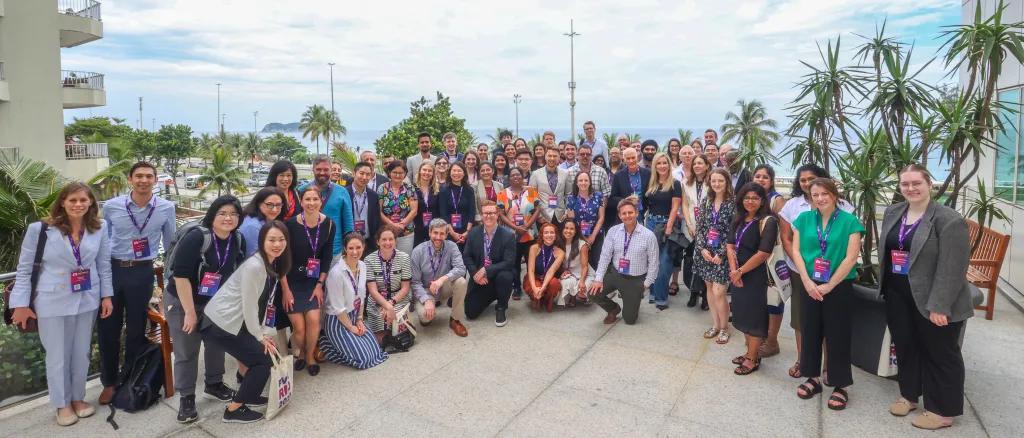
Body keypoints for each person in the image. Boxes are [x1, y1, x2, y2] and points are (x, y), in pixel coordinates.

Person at [9, 183, 113, 426]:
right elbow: (24, 270)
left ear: (91, 204)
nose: (78, 205)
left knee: (81, 353)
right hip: (51, 301)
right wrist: (20, 305)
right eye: (72, 200)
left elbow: (103, 264)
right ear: (62, 203)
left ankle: (78, 398)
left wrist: (106, 296)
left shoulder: (99, 227)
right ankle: (62, 403)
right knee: (57, 356)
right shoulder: (41, 230)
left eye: (83, 200)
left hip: (87, 298)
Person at [879, 164, 973, 430]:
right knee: (905, 346)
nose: (910, 188)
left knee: (940, 353)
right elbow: (888, 252)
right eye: (905, 184)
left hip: (934, 300)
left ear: (929, 184)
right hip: (898, 294)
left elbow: (953, 268)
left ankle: (942, 411)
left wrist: (940, 306)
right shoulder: (893, 212)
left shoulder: (948, 219)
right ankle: (909, 395)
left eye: (916, 183)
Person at [98, 162, 176, 404]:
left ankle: (130, 379)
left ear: (155, 180)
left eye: (149, 176)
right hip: (113, 270)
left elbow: (171, 244)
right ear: (130, 179)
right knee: (107, 329)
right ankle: (109, 382)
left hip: (143, 272)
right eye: (139, 176)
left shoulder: (166, 208)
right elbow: (102, 243)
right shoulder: (112, 207)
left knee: (136, 329)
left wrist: (171, 284)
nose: (144, 180)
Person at [201, 220, 290, 424]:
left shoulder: (271, 262)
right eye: (272, 240)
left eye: (281, 239)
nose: (277, 244)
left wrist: (265, 333)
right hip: (219, 323)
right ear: (262, 241)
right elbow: (250, 305)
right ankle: (233, 410)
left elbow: (266, 303)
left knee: (261, 356)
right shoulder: (255, 266)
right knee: (262, 360)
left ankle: (248, 395)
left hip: (234, 321)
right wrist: (259, 336)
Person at [165, 196, 244, 423]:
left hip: (213, 301)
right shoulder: (197, 237)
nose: (228, 218)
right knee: (186, 349)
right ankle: (187, 397)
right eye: (223, 213)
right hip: (183, 300)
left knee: (216, 342)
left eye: (233, 214)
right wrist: (189, 312)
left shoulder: (236, 239)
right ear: (213, 215)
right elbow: (180, 277)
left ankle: (214, 383)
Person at [791, 178, 864, 411]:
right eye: (815, 195)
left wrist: (830, 284)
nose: (820, 198)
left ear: (834, 195)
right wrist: (805, 280)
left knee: (838, 334)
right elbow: (795, 250)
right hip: (810, 283)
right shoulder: (803, 219)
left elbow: (851, 258)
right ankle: (812, 377)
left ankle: (840, 383)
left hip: (838, 285)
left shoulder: (850, 222)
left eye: (824, 194)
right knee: (810, 329)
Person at [778, 163, 854, 379]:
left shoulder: (846, 211)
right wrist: (804, 269)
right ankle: (805, 363)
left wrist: (828, 281)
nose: (807, 184)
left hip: (835, 276)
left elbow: (849, 252)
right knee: (804, 322)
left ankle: (831, 368)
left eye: (812, 179)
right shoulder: (796, 207)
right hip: (803, 273)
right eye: (803, 181)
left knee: (834, 325)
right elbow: (787, 238)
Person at [725, 183, 779, 376]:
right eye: (747, 198)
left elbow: (764, 253)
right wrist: (734, 270)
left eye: (755, 198)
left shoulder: (768, 221)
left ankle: (752, 359)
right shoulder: (738, 219)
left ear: (763, 200)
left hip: (756, 276)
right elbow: (730, 245)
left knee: (755, 318)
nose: (750, 201)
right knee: (743, 314)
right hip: (737, 273)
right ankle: (750, 352)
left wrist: (740, 271)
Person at [282, 186, 335, 376]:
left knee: (313, 320)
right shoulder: (289, 225)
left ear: (321, 202)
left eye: (315, 199)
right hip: (292, 281)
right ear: (301, 201)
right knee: (299, 328)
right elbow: (282, 259)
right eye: (307, 199)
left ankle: (310, 355)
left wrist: (320, 284)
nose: (311, 203)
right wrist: (285, 290)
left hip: (313, 282)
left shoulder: (329, 224)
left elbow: (327, 257)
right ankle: (301, 352)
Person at [318, 233, 389, 369]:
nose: (355, 252)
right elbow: (338, 309)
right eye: (351, 248)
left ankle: (342, 344)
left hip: (354, 315)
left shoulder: (362, 265)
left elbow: (361, 296)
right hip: (338, 321)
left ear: (363, 247)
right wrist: (352, 328)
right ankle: (325, 343)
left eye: (358, 247)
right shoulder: (336, 273)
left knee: (376, 352)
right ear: (345, 249)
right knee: (364, 359)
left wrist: (360, 320)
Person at [588, 199, 659, 325]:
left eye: (630, 212)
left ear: (636, 213)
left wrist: (646, 284)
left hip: (635, 279)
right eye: (624, 213)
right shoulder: (613, 231)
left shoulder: (648, 235)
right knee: (593, 293)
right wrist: (598, 279)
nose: (627, 216)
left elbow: (654, 263)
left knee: (629, 320)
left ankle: (633, 299)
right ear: (620, 216)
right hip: (615, 274)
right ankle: (613, 309)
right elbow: (605, 256)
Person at [694, 169, 736, 344]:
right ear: (709, 183)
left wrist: (721, 254)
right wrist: (702, 248)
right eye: (714, 181)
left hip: (723, 254)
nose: (717, 184)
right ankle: (716, 324)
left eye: (720, 181)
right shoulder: (706, 202)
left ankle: (725, 328)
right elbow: (701, 227)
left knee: (720, 291)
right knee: (710, 289)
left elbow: (733, 231)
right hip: (705, 253)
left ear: (727, 182)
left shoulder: (733, 203)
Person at [751, 163, 786, 358]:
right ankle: (763, 335)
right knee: (760, 298)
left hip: (773, 256)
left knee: (774, 299)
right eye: (757, 176)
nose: (761, 180)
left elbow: (784, 229)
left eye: (765, 177)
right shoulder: (752, 197)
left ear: (771, 180)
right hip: (755, 255)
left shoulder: (776, 200)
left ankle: (773, 341)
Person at [410, 219, 470, 336]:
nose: (438, 237)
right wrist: (426, 300)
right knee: (425, 318)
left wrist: (442, 280)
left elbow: (461, 268)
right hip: (426, 290)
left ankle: (455, 320)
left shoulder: (452, 246)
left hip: (443, 287)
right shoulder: (418, 251)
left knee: (461, 282)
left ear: (447, 235)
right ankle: (429, 307)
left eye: (442, 234)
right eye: (435, 233)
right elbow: (415, 282)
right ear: (429, 233)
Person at [462, 201, 517, 326]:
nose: (488, 216)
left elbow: (509, 262)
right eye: (486, 213)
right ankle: (493, 294)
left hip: (498, 276)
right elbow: (467, 256)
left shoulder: (508, 235)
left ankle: (501, 306)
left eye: (492, 213)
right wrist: (475, 273)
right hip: (480, 278)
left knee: (506, 276)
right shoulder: (474, 233)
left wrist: (486, 270)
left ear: (497, 214)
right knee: (470, 313)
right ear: (481, 215)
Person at [644, 152, 682, 310]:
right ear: (654, 166)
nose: (661, 166)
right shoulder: (651, 182)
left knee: (665, 261)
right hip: (651, 223)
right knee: (652, 260)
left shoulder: (675, 183)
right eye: (658, 163)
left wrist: (668, 226)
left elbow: (675, 208)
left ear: (669, 164)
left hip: (667, 223)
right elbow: (646, 205)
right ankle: (653, 293)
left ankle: (661, 297)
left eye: (664, 163)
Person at [497, 167, 541, 300]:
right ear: (509, 178)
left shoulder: (531, 191)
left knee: (531, 261)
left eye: (518, 175)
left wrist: (526, 225)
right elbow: (500, 213)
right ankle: (516, 287)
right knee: (514, 263)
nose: (516, 177)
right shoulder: (503, 193)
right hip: (511, 235)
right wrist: (515, 228)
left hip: (529, 233)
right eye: (512, 175)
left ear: (523, 177)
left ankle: (531, 286)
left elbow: (538, 209)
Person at [364, 226, 413, 344]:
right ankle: (383, 333)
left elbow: (406, 288)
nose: (388, 243)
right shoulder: (368, 260)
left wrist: (391, 304)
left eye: (391, 239)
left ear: (395, 241)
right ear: (378, 241)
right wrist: (386, 305)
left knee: (398, 334)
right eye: (384, 239)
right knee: (380, 341)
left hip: (398, 298)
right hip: (377, 300)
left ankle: (397, 330)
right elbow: (373, 290)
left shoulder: (404, 258)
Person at [306, 157, 354, 262]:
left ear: (331, 170)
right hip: (307, 250)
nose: (322, 172)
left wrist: (348, 250)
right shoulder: (302, 190)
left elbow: (349, 225)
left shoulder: (342, 192)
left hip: (334, 252)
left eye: (326, 169)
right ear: (313, 169)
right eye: (318, 169)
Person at [682, 154, 712, 309]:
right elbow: (685, 205)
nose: (697, 166)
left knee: (706, 263)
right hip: (692, 228)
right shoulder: (686, 183)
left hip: (709, 230)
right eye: (695, 164)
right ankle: (693, 293)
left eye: (701, 163)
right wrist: (688, 224)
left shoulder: (714, 182)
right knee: (691, 262)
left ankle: (706, 296)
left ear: (707, 165)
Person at [565, 171, 606, 269]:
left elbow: (601, 217)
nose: (583, 183)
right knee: (582, 262)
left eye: (586, 180)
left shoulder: (599, 196)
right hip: (579, 236)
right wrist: (584, 237)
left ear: (590, 182)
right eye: (580, 180)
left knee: (596, 261)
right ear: (576, 183)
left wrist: (592, 236)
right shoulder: (571, 198)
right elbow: (572, 221)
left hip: (597, 234)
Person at [378, 161, 419, 255]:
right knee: (387, 259)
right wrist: (392, 225)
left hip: (406, 232)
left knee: (404, 260)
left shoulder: (409, 188)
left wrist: (402, 224)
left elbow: (414, 211)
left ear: (405, 174)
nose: (397, 175)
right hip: (387, 232)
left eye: (401, 173)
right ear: (389, 173)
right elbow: (379, 211)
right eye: (395, 172)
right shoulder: (382, 188)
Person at [524, 223, 565, 312]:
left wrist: (543, 287)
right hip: (535, 276)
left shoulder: (560, 252)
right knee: (534, 285)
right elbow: (530, 270)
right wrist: (535, 288)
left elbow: (551, 271)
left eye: (552, 232)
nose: (549, 235)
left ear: (556, 235)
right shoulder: (534, 248)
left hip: (548, 278)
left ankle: (547, 299)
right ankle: (535, 297)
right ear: (542, 235)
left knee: (554, 283)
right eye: (546, 233)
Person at [239, 187, 286, 257]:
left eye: (278, 205)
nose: (275, 209)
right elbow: (252, 257)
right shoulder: (252, 226)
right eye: (270, 205)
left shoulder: (267, 220)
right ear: (259, 204)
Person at [609, 148, 651, 225]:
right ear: (624, 160)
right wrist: (626, 200)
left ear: (637, 158)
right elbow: (612, 198)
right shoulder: (619, 175)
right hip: (626, 214)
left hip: (642, 213)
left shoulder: (647, 173)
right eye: (628, 158)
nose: (631, 161)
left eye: (633, 157)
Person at [347, 161, 382, 254]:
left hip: (369, 243)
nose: (364, 177)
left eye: (368, 174)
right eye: (361, 173)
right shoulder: (344, 193)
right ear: (354, 173)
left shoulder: (373, 195)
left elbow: (377, 220)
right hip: (348, 243)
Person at [529, 147, 570, 225]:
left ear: (559, 158)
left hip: (561, 216)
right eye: (549, 156)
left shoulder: (565, 173)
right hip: (542, 216)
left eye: (555, 156)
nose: (552, 158)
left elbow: (569, 195)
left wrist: (567, 212)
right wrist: (539, 216)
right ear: (545, 157)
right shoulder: (535, 174)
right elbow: (531, 196)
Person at [440, 162, 476, 250]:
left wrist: (467, 232)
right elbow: (443, 212)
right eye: (454, 170)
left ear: (464, 173)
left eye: (459, 171)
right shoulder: (444, 189)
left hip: (466, 231)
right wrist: (452, 233)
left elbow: (472, 211)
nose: (456, 173)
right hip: (449, 230)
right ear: (450, 172)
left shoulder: (469, 190)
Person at [557, 221, 592, 307]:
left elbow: (584, 267)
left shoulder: (582, 245)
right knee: (565, 283)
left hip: (584, 273)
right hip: (569, 273)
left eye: (572, 229)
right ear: (562, 229)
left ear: (576, 231)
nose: (568, 231)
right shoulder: (558, 243)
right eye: (566, 228)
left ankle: (580, 295)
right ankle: (572, 296)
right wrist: (561, 272)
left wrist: (582, 282)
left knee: (582, 292)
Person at [413, 161, 440, 248]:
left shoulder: (437, 189)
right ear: (420, 171)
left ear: (433, 174)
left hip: (433, 229)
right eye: (424, 170)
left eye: (430, 171)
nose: (427, 173)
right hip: (417, 228)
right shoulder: (412, 188)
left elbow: (439, 210)